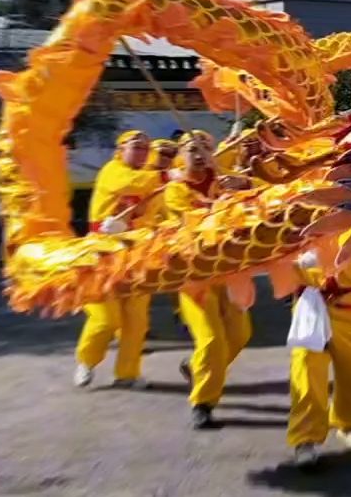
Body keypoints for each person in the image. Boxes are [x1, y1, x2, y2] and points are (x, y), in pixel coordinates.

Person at [166, 137, 254, 429]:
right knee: (212, 340)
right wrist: (226, 201)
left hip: (230, 274)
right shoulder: (175, 190)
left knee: (240, 335)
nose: (199, 154)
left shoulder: (226, 180)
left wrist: (245, 189)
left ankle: (196, 369)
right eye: (192, 149)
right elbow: (194, 222)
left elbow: (260, 200)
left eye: (205, 148)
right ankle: (202, 402)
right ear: (181, 156)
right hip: (195, 280)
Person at [73, 130, 161, 389]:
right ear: (120, 149)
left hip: (136, 254)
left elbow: (155, 216)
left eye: (146, 148)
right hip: (101, 253)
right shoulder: (113, 171)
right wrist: (166, 175)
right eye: (136, 146)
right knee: (105, 318)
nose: (141, 151)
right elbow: (131, 184)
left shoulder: (153, 184)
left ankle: (128, 373)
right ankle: (86, 360)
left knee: (136, 321)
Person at [287, 229, 351, 469]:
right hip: (311, 300)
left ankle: (348, 424)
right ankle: (305, 439)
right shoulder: (292, 199)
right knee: (306, 366)